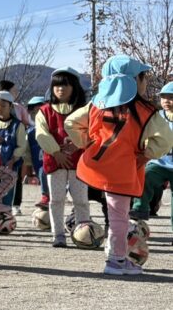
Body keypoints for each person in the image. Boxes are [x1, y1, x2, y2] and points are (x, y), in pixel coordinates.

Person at [67, 69, 173, 275]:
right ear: (134, 81)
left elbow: (70, 122)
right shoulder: (145, 110)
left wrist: (86, 142)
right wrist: (147, 154)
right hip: (123, 169)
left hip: (95, 165)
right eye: (143, 78)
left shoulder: (97, 104)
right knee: (119, 217)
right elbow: (165, 140)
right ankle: (116, 260)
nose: (145, 83)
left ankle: (115, 256)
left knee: (115, 214)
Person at [34, 67, 90, 247]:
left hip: (79, 162)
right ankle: (58, 235)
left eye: (65, 85)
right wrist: (56, 153)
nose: (60, 89)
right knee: (56, 200)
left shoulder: (84, 109)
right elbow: (41, 133)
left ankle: (84, 234)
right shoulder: (44, 111)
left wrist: (78, 144)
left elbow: (92, 131)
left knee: (81, 200)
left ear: (74, 87)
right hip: (54, 162)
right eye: (57, 86)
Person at [130, 82, 173, 224]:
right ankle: (140, 209)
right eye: (163, 97)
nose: (167, 101)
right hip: (159, 162)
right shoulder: (156, 117)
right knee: (146, 175)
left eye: (171, 97)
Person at [24, 96, 50, 208]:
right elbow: (28, 152)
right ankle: (46, 196)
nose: (37, 114)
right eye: (33, 111)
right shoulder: (30, 132)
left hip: (53, 160)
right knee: (42, 174)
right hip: (38, 162)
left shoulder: (51, 128)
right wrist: (29, 170)